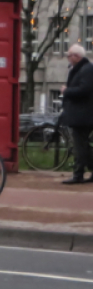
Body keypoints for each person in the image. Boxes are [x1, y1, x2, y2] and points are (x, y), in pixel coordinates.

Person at [59, 43, 93, 184]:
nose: (67, 58)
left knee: (80, 146)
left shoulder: (86, 70)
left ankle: (78, 174)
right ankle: (80, 173)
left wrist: (67, 91)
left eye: (69, 55)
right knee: (82, 145)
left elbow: (84, 89)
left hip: (83, 115)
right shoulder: (82, 69)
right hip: (81, 114)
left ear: (77, 56)